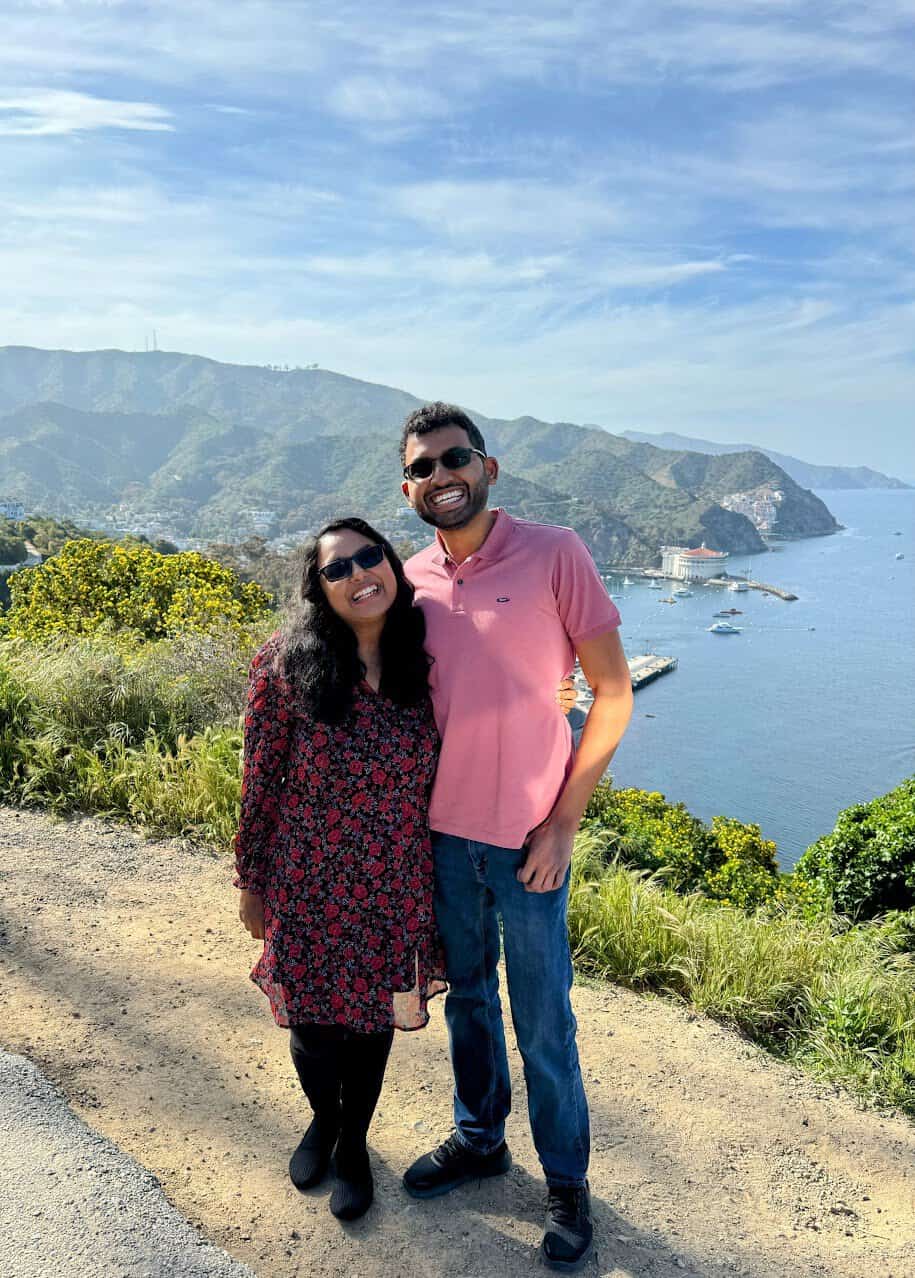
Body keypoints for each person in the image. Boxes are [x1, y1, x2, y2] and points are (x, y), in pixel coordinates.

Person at [398, 403, 633, 1272]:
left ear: (487, 468)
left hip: (529, 838)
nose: (440, 475)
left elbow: (613, 693)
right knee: (467, 999)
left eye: (454, 458)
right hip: (441, 836)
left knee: (542, 1020)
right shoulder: (409, 580)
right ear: (407, 488)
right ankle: (480, 1138)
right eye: (422, 467)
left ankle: (565, 1181)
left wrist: (563, 825)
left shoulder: (555, 551)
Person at [234, 517, 447, 1221]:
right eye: (337, 569)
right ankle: (323, 1119)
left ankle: (354, 1142)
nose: (358, 574)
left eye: (369, 557)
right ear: (319, 589)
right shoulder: (283, 665)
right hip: (307, 877)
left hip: (394, 880)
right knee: (313, 1022)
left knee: (371, 1022)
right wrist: (251, 882)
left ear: (391, 563)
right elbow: (260, 781)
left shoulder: (426, 661)